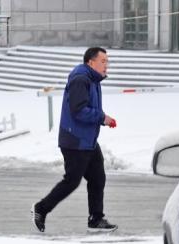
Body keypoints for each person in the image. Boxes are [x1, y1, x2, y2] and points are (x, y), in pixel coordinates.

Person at [31, 47, 118, 233]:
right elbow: (78, 110)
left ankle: (96, 218)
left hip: (87, 140)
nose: (106, 65)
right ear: (91, 62)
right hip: (75, 140)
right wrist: (102, 118)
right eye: (103, 61)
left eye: (107, 61)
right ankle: (41, 208)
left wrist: (102, 118)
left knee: (97, 178)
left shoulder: (92, 79)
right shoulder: (81, 79)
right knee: (72, 181)